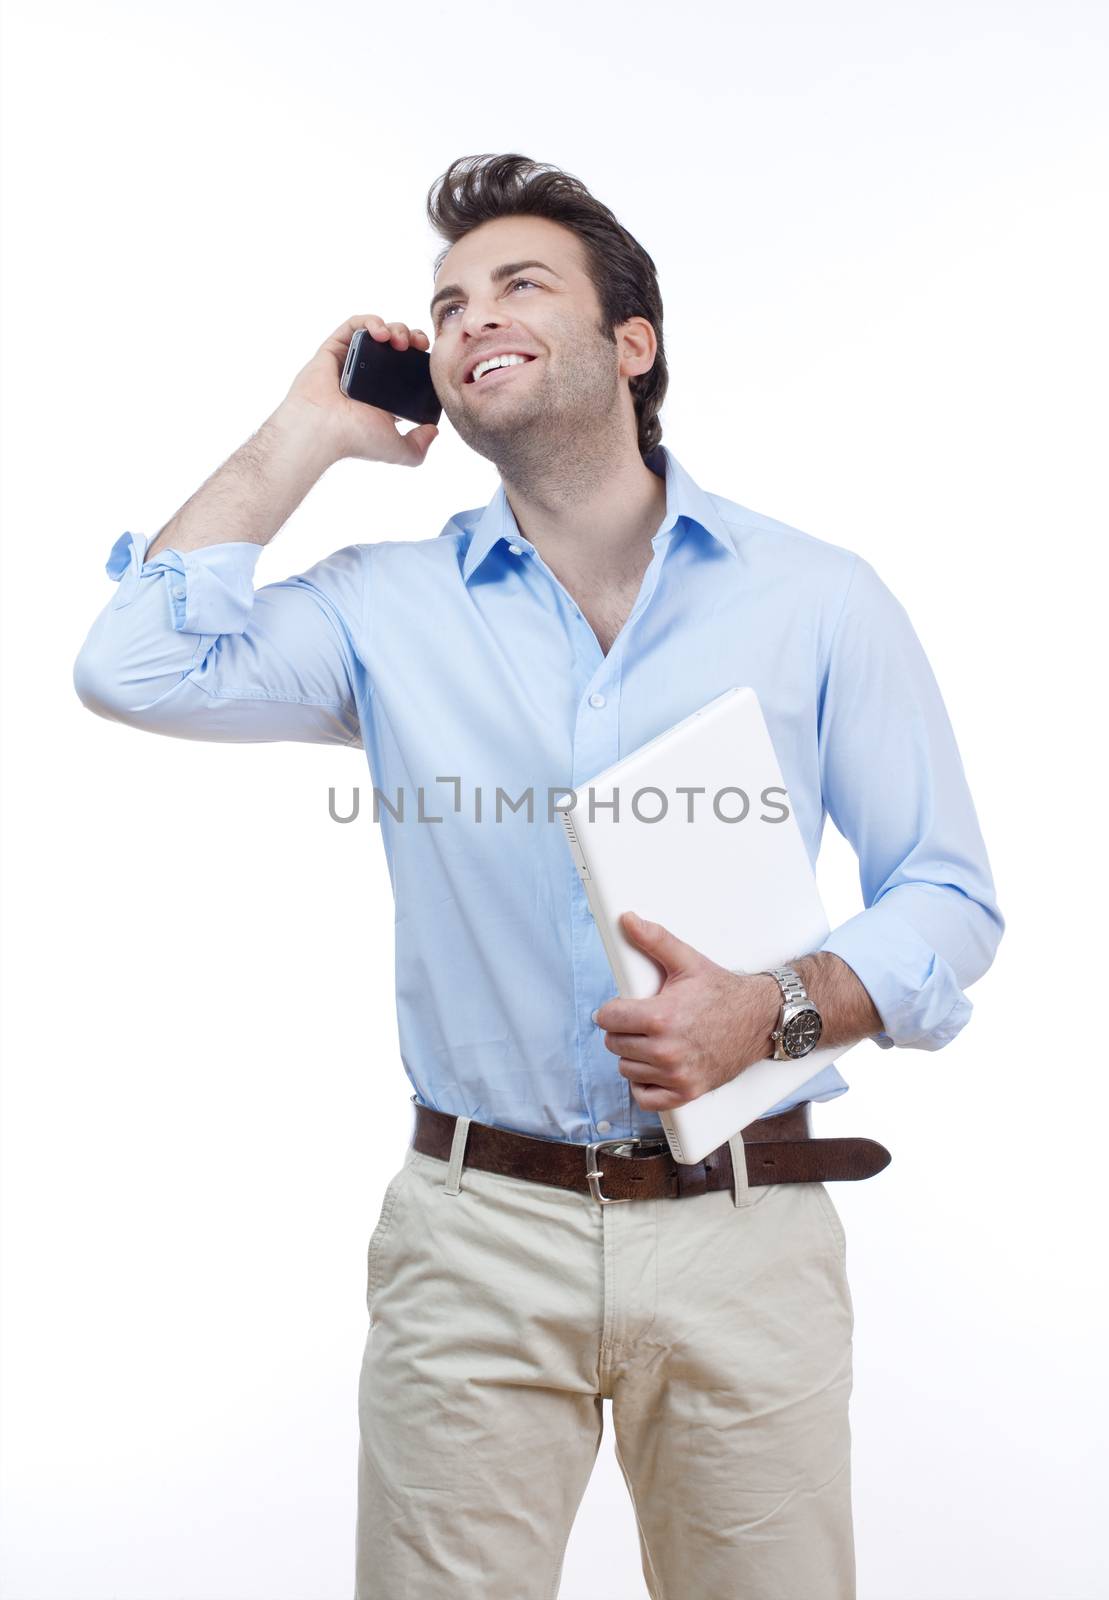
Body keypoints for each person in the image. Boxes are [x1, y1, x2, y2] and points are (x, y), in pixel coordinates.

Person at [73, 152, 1004, 1599]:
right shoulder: (382, 609)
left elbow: (945, 894)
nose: (467, 316)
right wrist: (303, 433)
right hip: (474, 1239)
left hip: (743, 1240)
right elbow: (133, 667)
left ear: (630, 345)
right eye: (445, 305)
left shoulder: (817, 599)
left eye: (518, 285)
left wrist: (771, 1010)